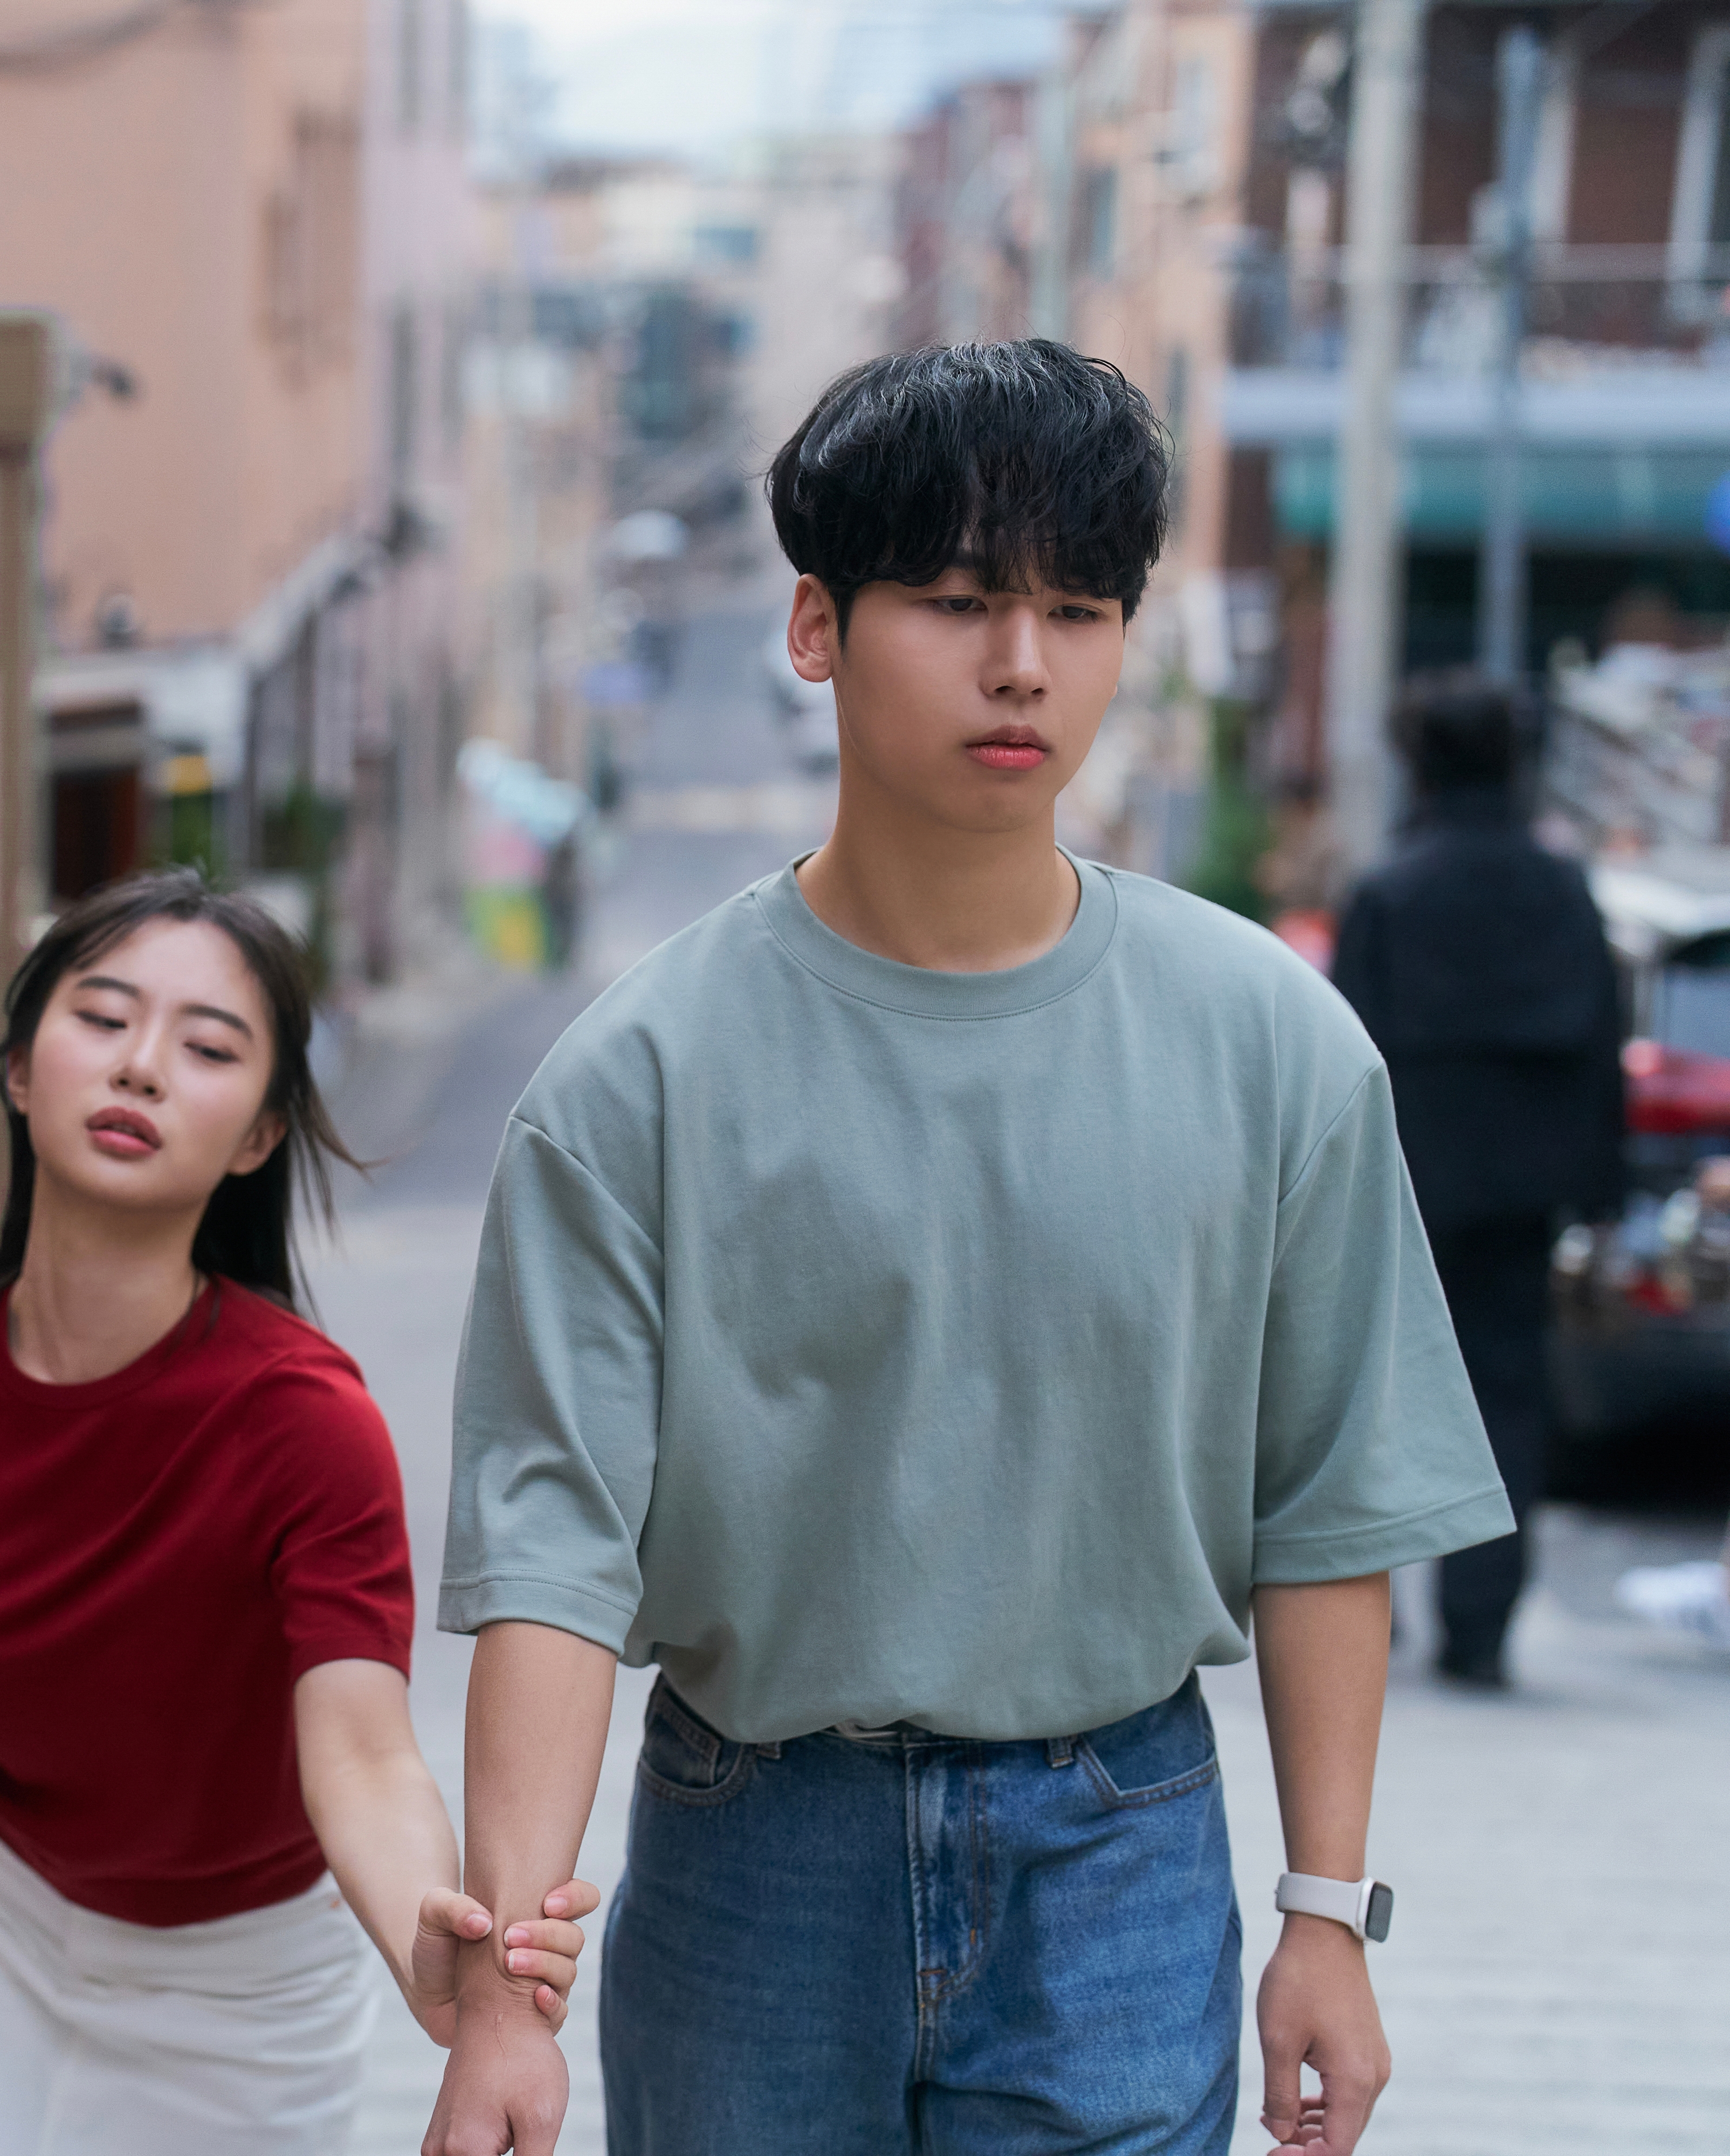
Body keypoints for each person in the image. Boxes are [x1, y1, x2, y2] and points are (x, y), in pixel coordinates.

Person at [424, 342, 1513, 2156]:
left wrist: (1330, 1915)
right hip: (751, 1842)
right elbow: (552, 1554)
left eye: (1079, 611)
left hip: (1122, 1837)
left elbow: (1331, 1509)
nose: (1023, 665)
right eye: (954, 601)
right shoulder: (639, 1075)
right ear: (815, 625)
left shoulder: (1274, 1045)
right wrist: (504, 1998)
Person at [0, 867, 600, 2155]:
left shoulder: (302, 1420)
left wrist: (428, 1928)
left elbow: (361, 1745)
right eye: (103, 1016)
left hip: (237, 1975)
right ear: (19, 1067)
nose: (139, 1066)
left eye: (207, 1046)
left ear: (257, 1133)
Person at [1329, 673, 1624, 1689]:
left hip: (1410, 1178)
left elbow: (1341, 1055)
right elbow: (1600, 1044)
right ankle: (1480, 1625)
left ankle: (1365, 1615)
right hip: (1524, 1187)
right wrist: (1600, 1188)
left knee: (1370, 1399)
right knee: (1509, 1395)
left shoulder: (1391, 889)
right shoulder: (1562, 889)